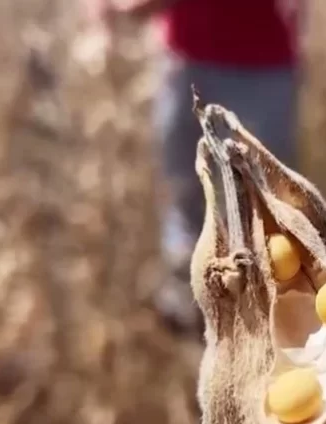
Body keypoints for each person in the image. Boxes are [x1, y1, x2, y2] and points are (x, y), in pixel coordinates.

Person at [82, 0, 303, 330]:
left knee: (258, 203)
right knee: (185, 191)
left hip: (260, 68)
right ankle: (192, 308)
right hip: (190, 63)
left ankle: (263, 318)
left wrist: (126, 10)